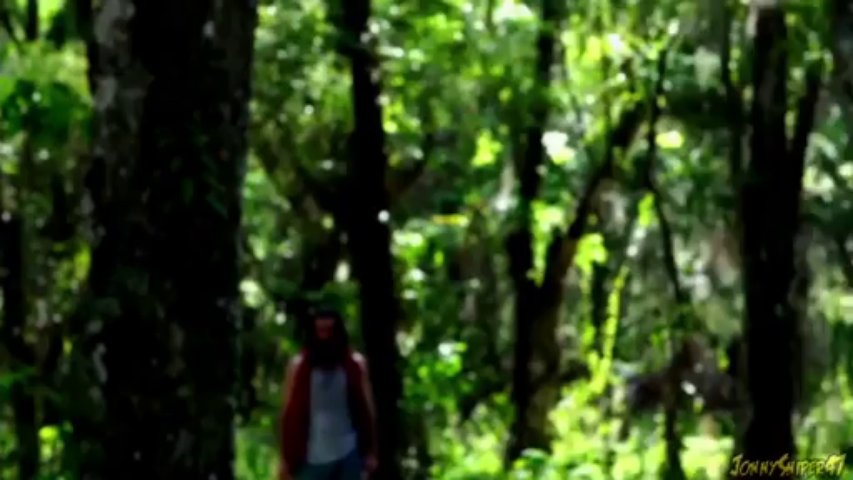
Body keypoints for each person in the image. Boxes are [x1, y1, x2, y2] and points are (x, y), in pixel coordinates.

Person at [278, 307, 378, 480]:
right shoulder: (298, 367)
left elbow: (367, 409)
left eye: (329, 331)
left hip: (348, 453)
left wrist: (370, 451)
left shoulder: (355, 365)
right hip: (310, 456)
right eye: (320, 331)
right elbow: (288, 413)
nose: (325, 337)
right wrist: (285, 459)